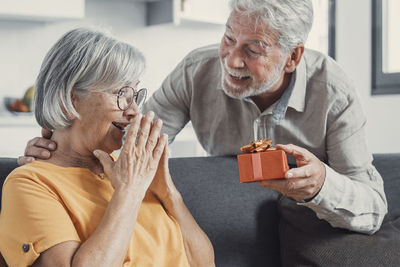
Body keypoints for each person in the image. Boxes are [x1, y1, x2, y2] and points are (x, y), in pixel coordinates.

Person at [20, 0, 387, 234]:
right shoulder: (197, 70)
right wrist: (59, 153)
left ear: (292, 57)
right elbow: (131, 138)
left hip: (313, 225)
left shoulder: (333, 90)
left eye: (253, 50)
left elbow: (373, 208)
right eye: (228, 38)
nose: (230, 60)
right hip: (227, 223)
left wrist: (322, 183)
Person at [0, 28, 215, 267]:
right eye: (121, 93)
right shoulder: (30, 184)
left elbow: (204, 263)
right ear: (70, 99)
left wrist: (169, 194)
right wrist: (129, 192)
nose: (134, 110)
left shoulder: (134, 168)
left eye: (135, 95)